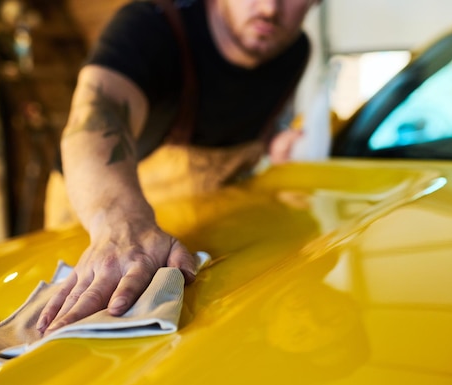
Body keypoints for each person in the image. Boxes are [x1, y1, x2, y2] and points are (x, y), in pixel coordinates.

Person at [37, 0, 320, 335]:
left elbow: (235, 124)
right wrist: (120, 225)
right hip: (100, 218)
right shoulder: (151, 25)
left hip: (199, 224)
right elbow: (99, 115)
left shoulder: (293, 51)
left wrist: (274, 144)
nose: (270, 9)